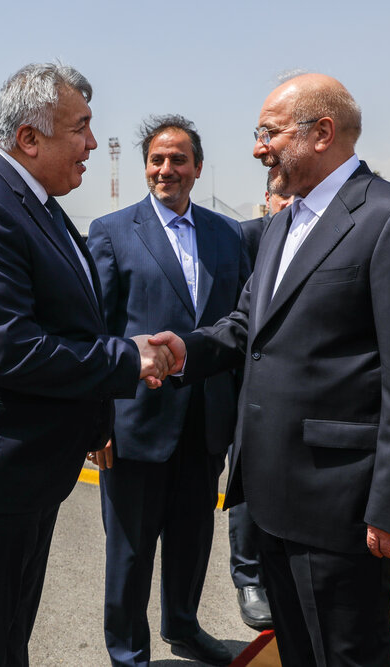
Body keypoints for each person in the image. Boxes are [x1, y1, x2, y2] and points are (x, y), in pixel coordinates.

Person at [165, 73, 390, 666]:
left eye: (268, 133)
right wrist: (178, 352)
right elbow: (247, 327)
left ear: (321, 133)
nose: (257, 148)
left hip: (341, 506)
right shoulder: (283, 223)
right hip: (271, 499)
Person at [0, 63, 178, 666]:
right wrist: (127, 358)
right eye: (80, 128)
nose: (92, 143)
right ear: (29, 138)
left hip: (21, 472)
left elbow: (69, 322)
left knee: (6, 639)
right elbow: (10, 348)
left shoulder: (36, 204)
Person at [87, 115, 250, 666]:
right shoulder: (112, 231)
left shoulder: (228, 234)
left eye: (179, 159)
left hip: (206, 421)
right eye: (157, 159)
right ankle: (128, 651)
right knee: (129, 550)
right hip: (136, 422)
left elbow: (239, 325)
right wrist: (98, 423)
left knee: (192, 538)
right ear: (145, 168)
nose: (166, 169)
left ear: (198, 168)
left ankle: (183, 626)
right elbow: (97, 333)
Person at [224, 187, 292, 633]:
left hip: (290, 390)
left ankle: (278, 571)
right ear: (267, 198)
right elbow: (236, 313)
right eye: (279, 197)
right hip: (243, 384)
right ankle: (248, 578)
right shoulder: (246, 236)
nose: (287, 204)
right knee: (247, 484)